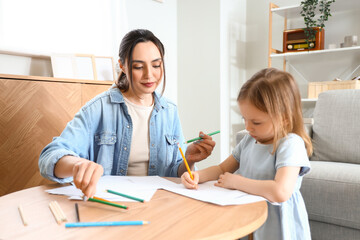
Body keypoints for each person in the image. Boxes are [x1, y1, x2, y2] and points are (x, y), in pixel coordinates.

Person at [39, 29, 215, 199]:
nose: (149, 75)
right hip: (111, 205)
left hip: (158, 204)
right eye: (139, 66)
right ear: (122, 65)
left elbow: (174, 173)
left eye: (156, 65)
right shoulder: (99, 108)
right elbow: (50, 156)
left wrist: (188, 160)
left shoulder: (169, 111)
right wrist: (78, 165)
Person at [181, 68, 312, 240]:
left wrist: (237, 182)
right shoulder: (249, 140)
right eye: (245, 119)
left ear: (285, 118)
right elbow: (222, 168)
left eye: (256, 122)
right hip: (249, 214)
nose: (248, 128)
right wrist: (198, 175)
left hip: (278, 225)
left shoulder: (290, 144)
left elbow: (280, 192)